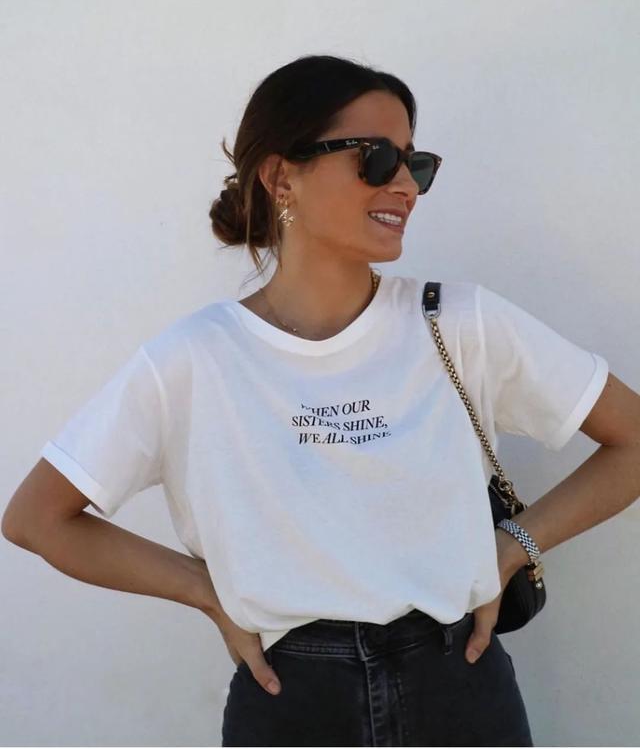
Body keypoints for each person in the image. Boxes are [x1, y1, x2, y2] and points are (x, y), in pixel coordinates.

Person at [4, 54, 637, 747]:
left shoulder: (460, 323)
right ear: (282, 177)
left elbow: (631, 439)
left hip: (460, 686)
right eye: (377, 158)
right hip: (293, 703)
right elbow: (38, 518)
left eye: (416, 163)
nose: (405, 184)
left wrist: (513, 547)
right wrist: (204, 592)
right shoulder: (195, 359)